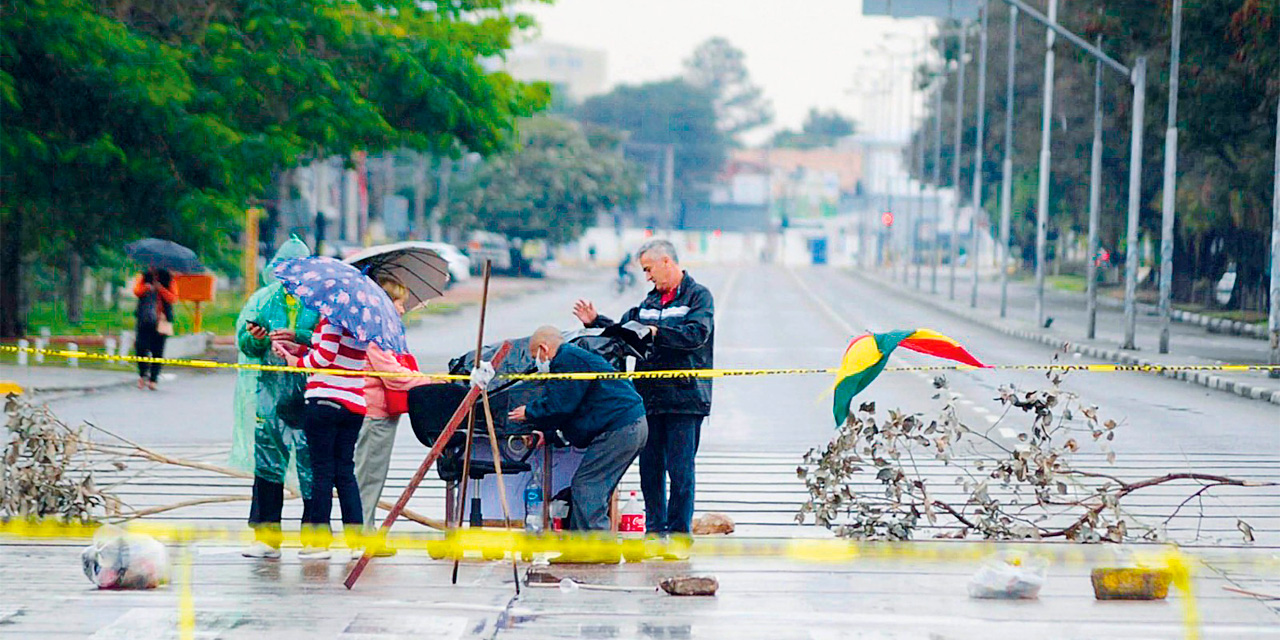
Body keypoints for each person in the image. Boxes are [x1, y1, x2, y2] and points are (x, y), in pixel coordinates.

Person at [573, 239, 714, 542]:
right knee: (650, 470)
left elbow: (696, 335)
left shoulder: (698, 297)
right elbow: (626, 332)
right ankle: (654, 531)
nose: (647, 277)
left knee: (680, 471)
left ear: (667, 262)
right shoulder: (647, 305)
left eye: (649, 269)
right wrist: (596, 322)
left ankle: (678, 534)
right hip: (648, 398)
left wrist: (657, 333)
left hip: (685, 399)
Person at [508, 327, 647, 539]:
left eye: (534, 355)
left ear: (544, 349)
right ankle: (583, 545)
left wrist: (529, 411)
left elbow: (561, 405)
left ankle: (597, 549)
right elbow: (579, 414)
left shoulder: (566, 360)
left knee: (587, 486)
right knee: (596, 489)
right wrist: (551, 435)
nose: (536, 362)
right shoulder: (573, 357)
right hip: (629, 424)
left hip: (620, 428)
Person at [232, 238, 319, 559]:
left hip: (313, 393)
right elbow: (246, 344)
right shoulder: (264, 301)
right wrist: (254, 338)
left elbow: (330, 340)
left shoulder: (321, 302)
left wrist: (301, 339)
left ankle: (314, 538)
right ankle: (266, 536)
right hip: (271, 392)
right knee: (268, 463)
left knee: (314, 464)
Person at [354, 275, 442, 552]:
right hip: (373, 414)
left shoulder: (383, 332)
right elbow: (392, 375)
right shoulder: (372, 335)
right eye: (397, 302)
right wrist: (428, 380)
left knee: (372, 476)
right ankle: (362, 536)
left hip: (381, 412)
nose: (402, 309)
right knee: (367, 476)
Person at [273, 309, 369, 559]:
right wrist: (299, 351)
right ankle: (356, 542)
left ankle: (318, 543)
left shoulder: (332, 319)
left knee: (322, 473)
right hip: (354, 405)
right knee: (345, 472)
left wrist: (297, 363)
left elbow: (325, 358)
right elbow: (336, 356)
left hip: (324, 401)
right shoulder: (361, 322)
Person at [132, 267, 176, 390]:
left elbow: (173, 298)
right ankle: (142, 374)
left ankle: (153, 379)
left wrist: (160, 289)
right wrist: (147, 287)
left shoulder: (168, 279)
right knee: (141, 347)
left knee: (158, 350)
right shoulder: (143, 277)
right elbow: (136, 291)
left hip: (161, 320)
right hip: (144, 319)